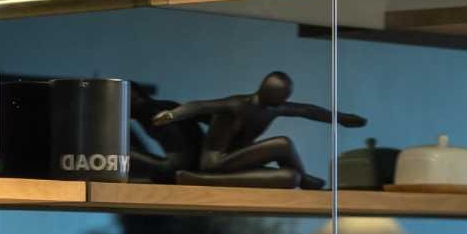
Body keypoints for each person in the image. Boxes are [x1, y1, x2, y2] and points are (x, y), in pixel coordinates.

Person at [151, 71, 366, 189]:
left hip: (236, 162)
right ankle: (204, 178)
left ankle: (197, 181)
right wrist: (172, 115)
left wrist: (341, 118)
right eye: (280, 98)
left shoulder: (274, 108)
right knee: (283, 144)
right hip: (214, 162)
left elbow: (308, 111)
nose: (283, 103)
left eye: (284, 98)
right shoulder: (238, 104)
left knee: (291, 178)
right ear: (266, 92)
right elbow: (199, 106)